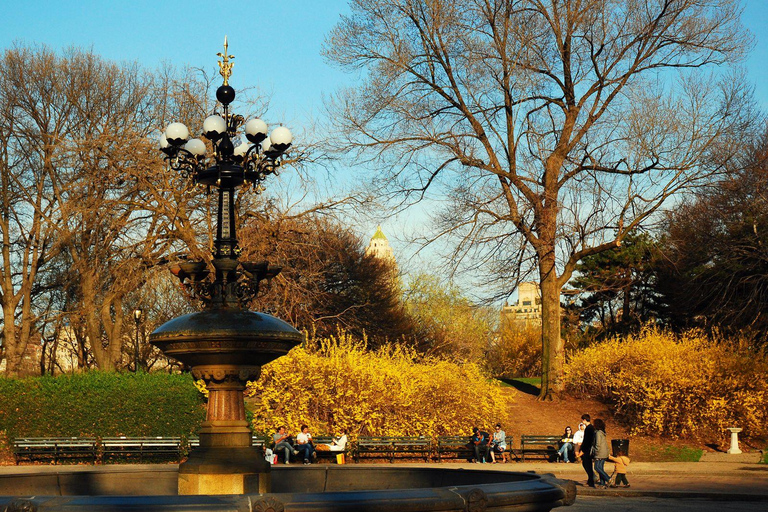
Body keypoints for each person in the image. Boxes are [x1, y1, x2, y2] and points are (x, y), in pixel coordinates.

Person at [577, 414, 596, 487]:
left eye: (582, 420)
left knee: (587, 465)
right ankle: (590, 480)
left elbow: (587, 441)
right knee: (587, 465)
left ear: (584, 420)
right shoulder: (591, 428)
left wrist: (583, 450)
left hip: (587, 450)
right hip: (588, 449)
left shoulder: (589, 428)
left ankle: (591, 480)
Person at [592, 418, 611, 488]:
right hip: (604, 452)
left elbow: (598, 444)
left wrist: (595, 453)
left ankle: (608, 478)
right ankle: (602, 484)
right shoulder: (602, 432)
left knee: (596, 467)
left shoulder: (598, 433)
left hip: (600, 453)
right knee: (601, 468)